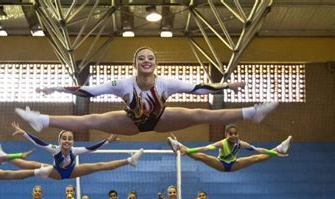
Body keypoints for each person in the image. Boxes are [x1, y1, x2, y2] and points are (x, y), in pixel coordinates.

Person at [15, 46, 278, 135]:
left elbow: (200, 88)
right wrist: (56, 88)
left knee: (201, 113)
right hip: (131, 122)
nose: (146, 61)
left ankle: (251, 113)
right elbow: (88, 92)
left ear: (156, 63)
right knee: (90, 120)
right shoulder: (122, 84)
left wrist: (227, 86)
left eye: (150, 58)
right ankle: (42, 120)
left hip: (161, 119)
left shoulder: (166, 83)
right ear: (135, 64)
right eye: (141, 58)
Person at [0, 122, 143, 180]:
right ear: (59, 140)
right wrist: (23, 132)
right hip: (55, 173)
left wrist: (108, 141)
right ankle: (4, 158)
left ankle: (130, 161)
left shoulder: (75, 150)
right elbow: (39, 142)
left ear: (73, 142)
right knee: (30, 165)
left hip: (72, 172)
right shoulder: (55, 150)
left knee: (99, 165)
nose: (67, 141)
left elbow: (92, 148)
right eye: (64, 138)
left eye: (70, 138)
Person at [167, 124, 293, 172]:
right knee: (202, 157)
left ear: (237, 134)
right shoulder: (222, 143)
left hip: (233, 164)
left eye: (235, 133)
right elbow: (205, 148)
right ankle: (180, 147)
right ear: (226, 135)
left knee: (256, 158)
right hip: (220, 163)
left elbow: (259, 149)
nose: (233, 135)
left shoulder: (241, 143)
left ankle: (279, 149)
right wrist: (189, 151)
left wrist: (273, 153)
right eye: (230, 134)